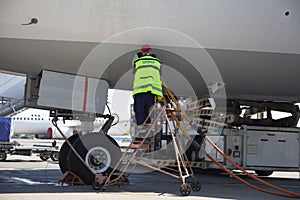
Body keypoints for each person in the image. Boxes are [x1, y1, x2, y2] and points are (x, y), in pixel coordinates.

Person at [132, 44, 163, 126]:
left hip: (139, 90)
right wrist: (160, 96)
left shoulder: (138, 61)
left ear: (142, 52)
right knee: (149, 111)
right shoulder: (157, 62)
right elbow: (159, 76)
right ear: (150, 51)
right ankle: (148, 126)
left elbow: (133, 71)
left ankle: (141, 127)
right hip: (151, 91)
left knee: (139, 111)